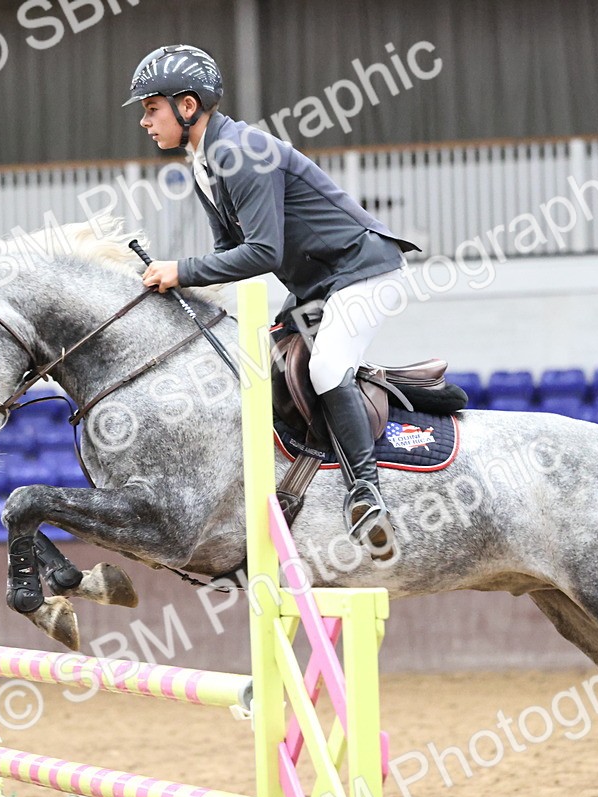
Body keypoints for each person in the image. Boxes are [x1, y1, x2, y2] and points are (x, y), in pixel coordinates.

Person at [127, 44, 417, 560]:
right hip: (317, 287)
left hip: (365, 272)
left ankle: (366, 493)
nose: (145, 122)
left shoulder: (242, 153)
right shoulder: (204, 164)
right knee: (261, 367)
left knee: (326, 368)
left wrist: (181, 270)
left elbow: (263, 252)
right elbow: (227, 252)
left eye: (152, 109)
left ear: (187, 106)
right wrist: (175, 285)